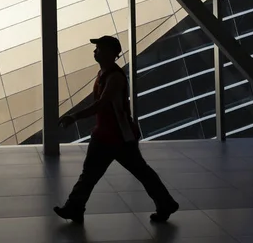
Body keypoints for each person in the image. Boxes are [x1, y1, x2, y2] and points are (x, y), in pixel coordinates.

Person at [54, 35, 178, 223]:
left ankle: (75, 207)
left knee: (121, 172)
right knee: (100, 173)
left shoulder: (114, 78)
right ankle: (74, 207)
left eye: (99, 48)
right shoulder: (104, 74)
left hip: (117, 136)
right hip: (108, 134)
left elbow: (101, 104)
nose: (95, 51)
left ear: (111, 53)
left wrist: (75, 116)